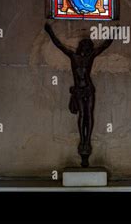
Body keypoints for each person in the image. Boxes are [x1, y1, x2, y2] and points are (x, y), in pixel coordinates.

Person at [44, 22, 113, 167]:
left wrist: (114, 34)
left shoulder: (90, 57)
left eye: (88, 48)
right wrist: (50, 32)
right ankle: (83, 139)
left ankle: (87, 140)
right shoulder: (73, 57)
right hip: (79, 90)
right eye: (85, 47)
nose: (86, 50)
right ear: (81, 47)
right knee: (83, 115)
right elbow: (59, 45)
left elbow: (105, 46)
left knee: (89, 114)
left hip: (88, 89)